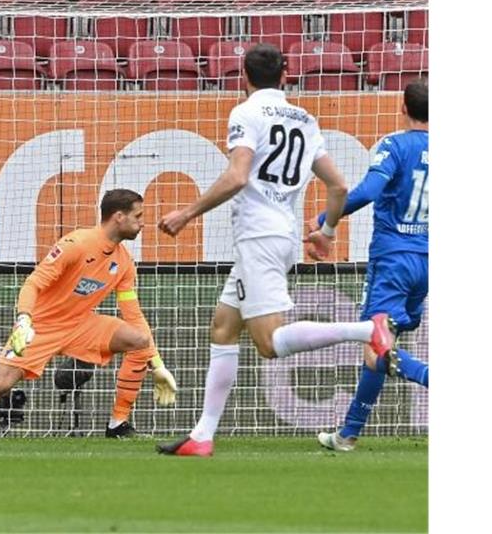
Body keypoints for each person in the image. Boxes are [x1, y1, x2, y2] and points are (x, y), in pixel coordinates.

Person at [155, 44, 394, 457]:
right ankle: (202, 436)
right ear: (285, 75)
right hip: (282, 235)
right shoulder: (305, 118)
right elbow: (337, 185)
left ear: (242, 76)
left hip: (258, 237)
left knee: (269, 344)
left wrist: (187, 213)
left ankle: (366, 330)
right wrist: (328, 231)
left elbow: (236, 176)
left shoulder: (245, 113)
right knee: (224, 327)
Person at [0, 189, 177, 439]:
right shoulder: (76, 244)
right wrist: (24, 319)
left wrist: (157, 363)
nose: (143, 223)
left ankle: (118, 424)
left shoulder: (124, 262)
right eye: (138, 216)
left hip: (81, 324)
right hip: (41, 326)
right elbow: (33, 284)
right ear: (119, 217)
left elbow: (133, 314)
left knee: (139, 340)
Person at [316, 80, 429, 451]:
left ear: (402, 108)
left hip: (393, 260)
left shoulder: (395, 146)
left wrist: (324, 220)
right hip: (427, 263)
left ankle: (428, 376)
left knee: (376, 347)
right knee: (380, 346)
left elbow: (364, 192)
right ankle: (347, 434)